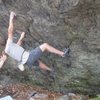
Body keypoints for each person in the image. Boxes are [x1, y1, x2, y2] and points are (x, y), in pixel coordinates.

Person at [0, 11, 70, 72]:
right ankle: (62, 54)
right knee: (45, 45)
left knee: (39, 63)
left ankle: (50, 70)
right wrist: (11, 18)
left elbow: (17, 46)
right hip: (29, 57)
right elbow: (10, 31)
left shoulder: (8, 49)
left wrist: (21, 37)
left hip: (27, 62)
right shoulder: (8, 45)